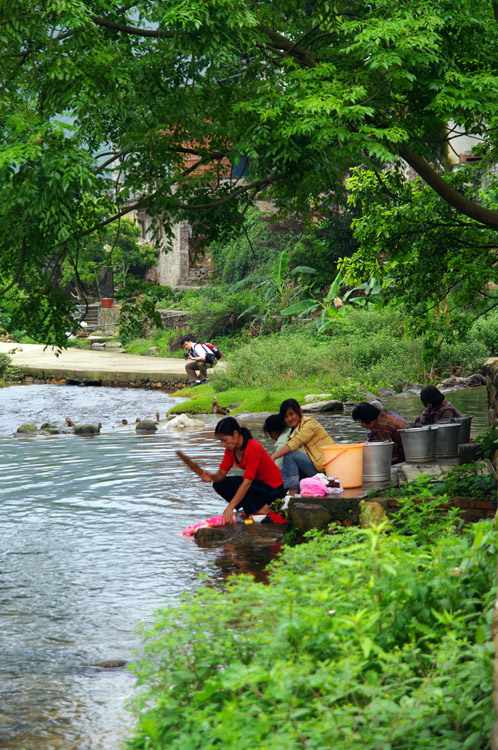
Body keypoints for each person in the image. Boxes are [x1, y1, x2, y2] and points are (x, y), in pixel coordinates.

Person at [201, 417, 285, 523]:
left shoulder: (254, 447)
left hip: (274, 490)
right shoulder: (230, 450)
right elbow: (221, 475)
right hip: (258, 488)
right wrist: (211, 477)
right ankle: (252, 508)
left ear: (235, 434)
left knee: (240, 483)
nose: (223, 444)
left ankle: (263, 509)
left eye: (225, 440)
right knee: (218, 484)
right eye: (221, 441)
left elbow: (247, 482)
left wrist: (230, 508)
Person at [271, 398, 334, 492]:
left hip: (324, 470)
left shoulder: (310, 423)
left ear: (300, 411)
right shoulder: (296, 429)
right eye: (286, 416)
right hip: (315, 467)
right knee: (283, 470)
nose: (289, 419)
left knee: (290, 455)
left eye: (291, 414)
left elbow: (296, 442)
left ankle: (292, 492)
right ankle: (274, 492)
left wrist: (273, 456)